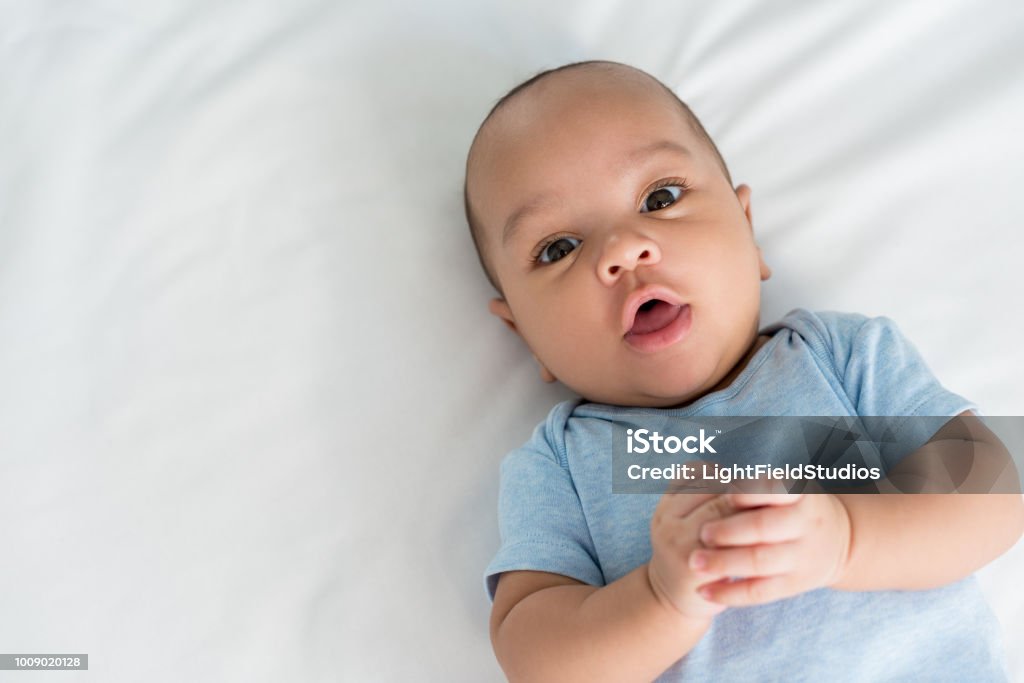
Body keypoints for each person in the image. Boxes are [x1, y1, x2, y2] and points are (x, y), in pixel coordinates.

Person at [463, 59, 1024, 681]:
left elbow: (994, 490)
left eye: (660, 198)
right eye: (559, 248)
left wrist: (845, 540)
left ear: (748, 232)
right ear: (523, 334)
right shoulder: (561, 464)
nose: (623, 250)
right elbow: (536, 657)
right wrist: (660, 598)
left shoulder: (841, 359)